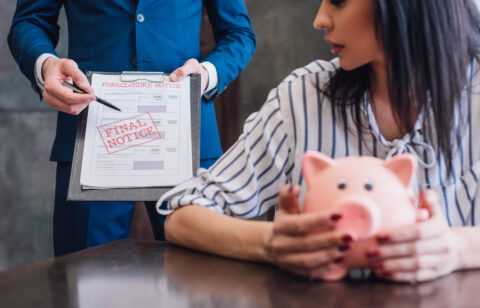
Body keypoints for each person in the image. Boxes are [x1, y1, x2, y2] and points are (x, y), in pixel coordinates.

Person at [158, 0, 480, 283]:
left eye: (338, 1)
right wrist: (272, 242)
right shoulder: (303, 97)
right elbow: (183, 216)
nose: (320, 19)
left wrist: (458, 248)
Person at [8, 0, 256, 256]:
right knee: (84, 282)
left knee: (202, 279)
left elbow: (239, 34)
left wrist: (206, 75)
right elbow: (29, 21)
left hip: (186, 135)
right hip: (91, 132)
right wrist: (46, 65)